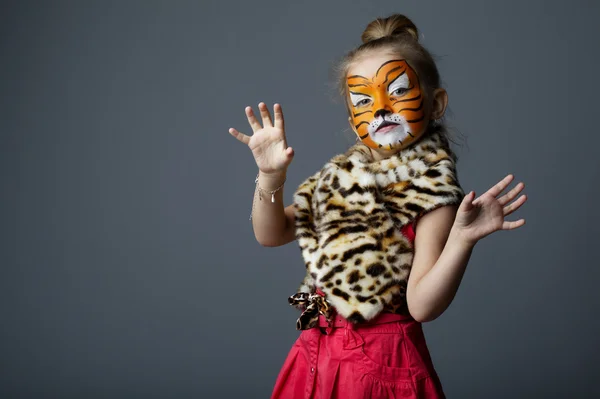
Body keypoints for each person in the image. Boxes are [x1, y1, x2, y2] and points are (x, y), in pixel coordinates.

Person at [228, 13, 527, 399]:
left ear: (435, 103)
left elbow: (421, 306)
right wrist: (270, 176)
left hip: (381, 372)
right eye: (364, 100)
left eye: (398, 91)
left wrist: (461, 240)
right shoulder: (341, 181)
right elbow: (271, 234)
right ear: (354, 120)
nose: (382, 108)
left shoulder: (432, 195)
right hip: (316, 359)